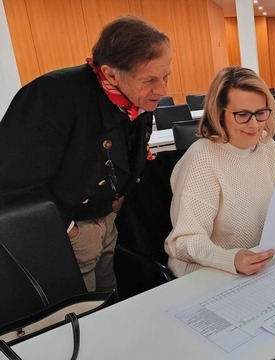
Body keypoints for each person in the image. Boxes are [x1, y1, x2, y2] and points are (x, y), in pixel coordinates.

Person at [0, 16, 171, 293]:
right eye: (150, 79)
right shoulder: (53, 95)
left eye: (166, 76)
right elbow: (12, 179)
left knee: (108, 302)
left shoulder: (133, 96)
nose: (162, 90)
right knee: (83, 317)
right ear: (111, 73)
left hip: (108, 221)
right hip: (66, 232)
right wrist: (68, 230)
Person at [164, 66, 275, 277]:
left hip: (258, 266)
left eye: (260, 113)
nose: (255, 124)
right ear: (219, 114)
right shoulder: (202, 159)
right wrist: (231, 259)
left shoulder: (268, 148)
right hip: (207, 274)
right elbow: (183, 241)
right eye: (243, 115)